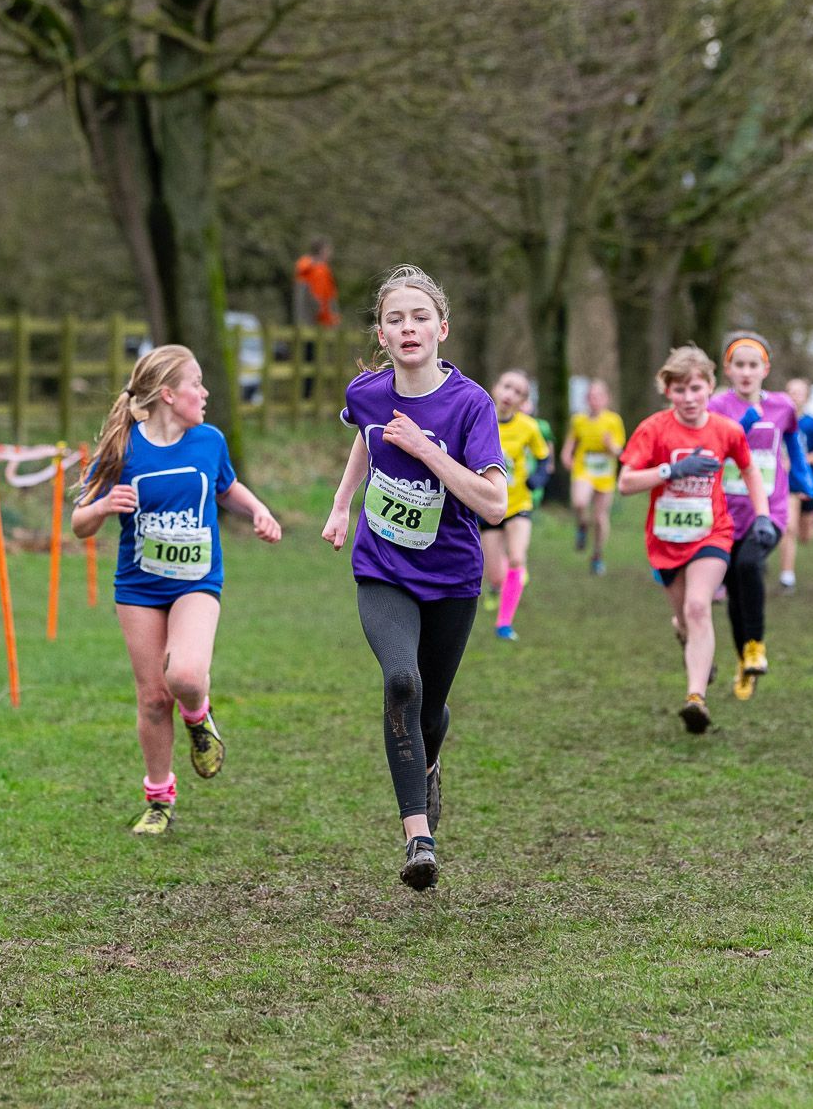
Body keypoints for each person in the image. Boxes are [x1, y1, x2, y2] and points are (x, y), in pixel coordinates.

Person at [321, 265, 507, 891]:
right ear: (382, 332)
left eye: (420, 317)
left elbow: (494, 503)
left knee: (430, 709)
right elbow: (365, 439)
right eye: (396, 318)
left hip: (453, 576)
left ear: (442, 329)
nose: (408, 327)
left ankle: (429, 760)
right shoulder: (367, 393)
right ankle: (418, 838)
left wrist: (429, 451)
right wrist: (343, 503)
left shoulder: (470, 404)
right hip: (383, 566)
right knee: (402, 680)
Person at [73, 345, 282, 837]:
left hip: (197, 581)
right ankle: (159, 796)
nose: (205, 393)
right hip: (139, 586)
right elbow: (79, 522)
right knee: (151, 698)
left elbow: (227, 486)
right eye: (197, 384)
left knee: (185, 675)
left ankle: (199, 715)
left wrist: (258, 510)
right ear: (168, 394)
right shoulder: (121, 449)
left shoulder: (209, 440)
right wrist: (103, 508)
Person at [618, 344, 770, 734]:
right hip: (665, 539)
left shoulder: (726, 430)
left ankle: (695, 699)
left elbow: (751, 471)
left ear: (710, 388)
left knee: (699, 607)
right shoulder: (654, 429)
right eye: (679, 390)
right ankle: (692, 644)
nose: (688, 398)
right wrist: (673, 469)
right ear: (667, 391)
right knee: (687, 616)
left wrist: (764, 516)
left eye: (696, 388)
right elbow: (626, 482)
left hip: (712, 534)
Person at [704, 332, 797, 701]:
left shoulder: (783, 407)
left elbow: (793, 443)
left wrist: (804, 480)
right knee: (734, 590)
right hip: (724, 514)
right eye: (739, 365)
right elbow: (712, 448)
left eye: (753, 365)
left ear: (765, 369)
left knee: (748, 566)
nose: (746, 372)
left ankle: (756, 644)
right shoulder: (715, 407)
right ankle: (744, 659)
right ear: (727, 369)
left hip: (769, 511)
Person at [483, 370, 550, 641]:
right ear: (495, 387)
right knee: (496, 576)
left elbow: (544, 457)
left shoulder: (529, 427)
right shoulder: (479, 419)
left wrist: (539, 477)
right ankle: (500, 584)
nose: (511, 394)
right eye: (507, 387)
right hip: (487, 505)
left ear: (523, 401)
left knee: (517, 558)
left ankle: (504, 623)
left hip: (519, 502)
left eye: (519, 392)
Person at [560, 378, 626, 575]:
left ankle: (597, 555)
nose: (594, 400)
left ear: (606, 399)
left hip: (605, 474)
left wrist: (610, 445)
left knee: (600, 518)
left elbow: (619, 451)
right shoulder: (578, 420)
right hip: (584, 469)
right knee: (580, 503)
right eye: (590, 396)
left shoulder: (613, 421)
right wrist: (566, 458)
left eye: (598, 396)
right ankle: (581, 526)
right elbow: (570, 445)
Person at [779, 377, 813, 590]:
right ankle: (787, 576)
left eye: (799, 392)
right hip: (785, 484)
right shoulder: (778, 420)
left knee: (805, 536)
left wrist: (800, 461)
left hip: (808, 482)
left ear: (806, 397)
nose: (794, 396)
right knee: (788, 528)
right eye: (790, 391)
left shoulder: (812, 424)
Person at [293, 238, 340, 330]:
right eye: (328, 250)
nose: (331, 253)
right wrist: (331, 319)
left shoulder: (304, 269)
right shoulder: (319, 271)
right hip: (318, 322)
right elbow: (321, 298)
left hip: (303, 321)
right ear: (322, 251)